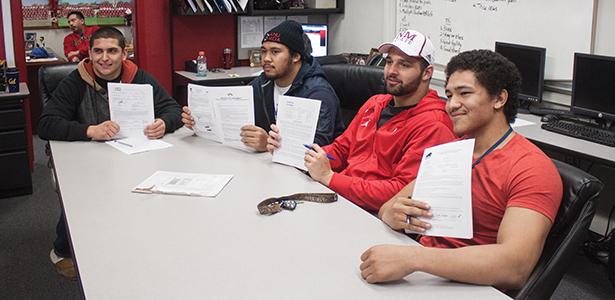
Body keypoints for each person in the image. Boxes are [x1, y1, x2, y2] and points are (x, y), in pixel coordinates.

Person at [360, 49, 563, 290]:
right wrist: (393, 214)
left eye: (464, 94)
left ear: (499, 99)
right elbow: (387, 207)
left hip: (468, 286)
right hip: (424, 273)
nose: (451, 105)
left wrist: (413, 259)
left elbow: (515, 266)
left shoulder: (531, 168)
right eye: (449, 95)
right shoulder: (450, 152)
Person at [39, 27, 183, 280]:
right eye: (98, 51)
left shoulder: (139, 77)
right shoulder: (75, 81)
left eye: (112, 51)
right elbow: (47, 124)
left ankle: (130, 242)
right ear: (90, 53)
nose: (104, 58)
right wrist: (90, 130)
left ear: (124, 54)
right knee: (80, 196)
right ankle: (62, 249)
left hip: (133, 153)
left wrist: (164, 122)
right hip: (86, 159)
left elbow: (172, 109)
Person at [268, 29, 456, 213]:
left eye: (404, 65)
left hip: (374, 216)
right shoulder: (375, 104)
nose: (392, 71)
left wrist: (330, 178)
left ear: (427, 73)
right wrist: (293, 150)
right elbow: (341, 150)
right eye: (389, 62)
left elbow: (400, 192)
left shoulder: (434, 125)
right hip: (341, 199)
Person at [181, 20, 344, 151]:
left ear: (295, 56)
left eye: (275, 52)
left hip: (311, 181)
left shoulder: (318, 93)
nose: (265, 58)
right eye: (264, 51)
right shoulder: (263, 82)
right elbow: (233, 111)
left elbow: (316, 151)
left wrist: (268, 144)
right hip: (269, 167)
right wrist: (200, 120)